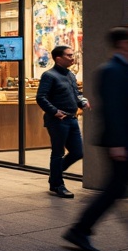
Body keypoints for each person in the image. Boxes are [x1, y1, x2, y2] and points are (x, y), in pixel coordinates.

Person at [63, 27, 128, 251]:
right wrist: (117, 143)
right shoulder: (112, 70)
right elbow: (113, 109)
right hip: (120, 141)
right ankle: (80, 229)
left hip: (126, 138)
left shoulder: (125, 68)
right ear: (121, 44)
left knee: (116, 188)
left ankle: (80, 229)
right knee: (114, 189)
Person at [36, 44, 90, 198]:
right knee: (58, 153)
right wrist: (54, 111)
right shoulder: (49, 75)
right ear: (58, 58)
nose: (72, 58)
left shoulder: (70, 75)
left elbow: (77, 94)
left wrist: (83, 102)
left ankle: (55, 175)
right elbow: (41, 97)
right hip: (57, 120)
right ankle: (58, 184)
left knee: (78, 152)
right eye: (69, 55)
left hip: (72, 119)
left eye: (73, 55)